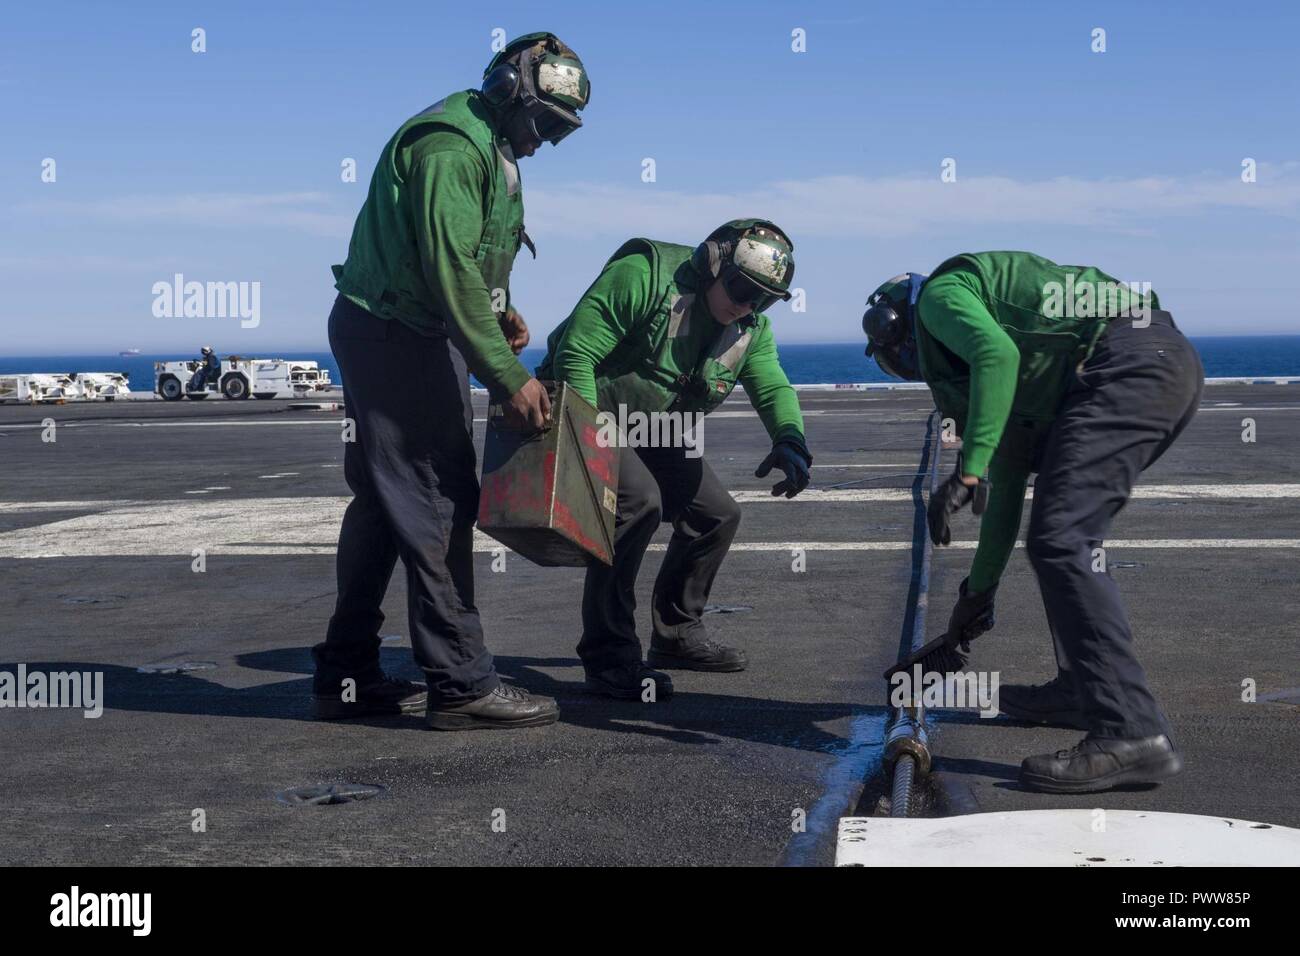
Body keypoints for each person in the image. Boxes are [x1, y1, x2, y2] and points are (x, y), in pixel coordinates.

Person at [313, 32, 591, 730]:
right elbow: (447, 266)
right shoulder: (451, 147)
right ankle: (461, 684)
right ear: (508, 94)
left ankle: (345, 672)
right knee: (438, 498)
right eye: (544, 124)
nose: (544, 142)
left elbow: (471, 259)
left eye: (559, 132)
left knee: (385, 502)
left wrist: (500, 314)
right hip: (395, 334)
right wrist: (506, 377)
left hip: (405, 330)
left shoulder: (494, 150)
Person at [863, 252, 1204, 793]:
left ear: (899, 327)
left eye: (904, 359)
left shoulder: (938, 296)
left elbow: (993, 354)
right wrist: (976, 597)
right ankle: (1082, 690)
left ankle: (1131, 731)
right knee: (1058, 537)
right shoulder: (1024, 373)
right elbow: (1004, 492)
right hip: (1149, 363)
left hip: (1127, 364)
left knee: (1063, 538)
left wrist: (968, 470)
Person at [538, 219, 813, 699]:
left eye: (762, 299)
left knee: (716, 515)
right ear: (712, 264)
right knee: (637, 502)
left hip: (653, 427)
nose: (747, 304)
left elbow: (771, 385)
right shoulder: (643, 273)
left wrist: (791, 439)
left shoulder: (750, 328)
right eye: (740, 288)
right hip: (584, 407)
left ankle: (676, 635)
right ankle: (609, 658)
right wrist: (588, 445)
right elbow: (576, 352)